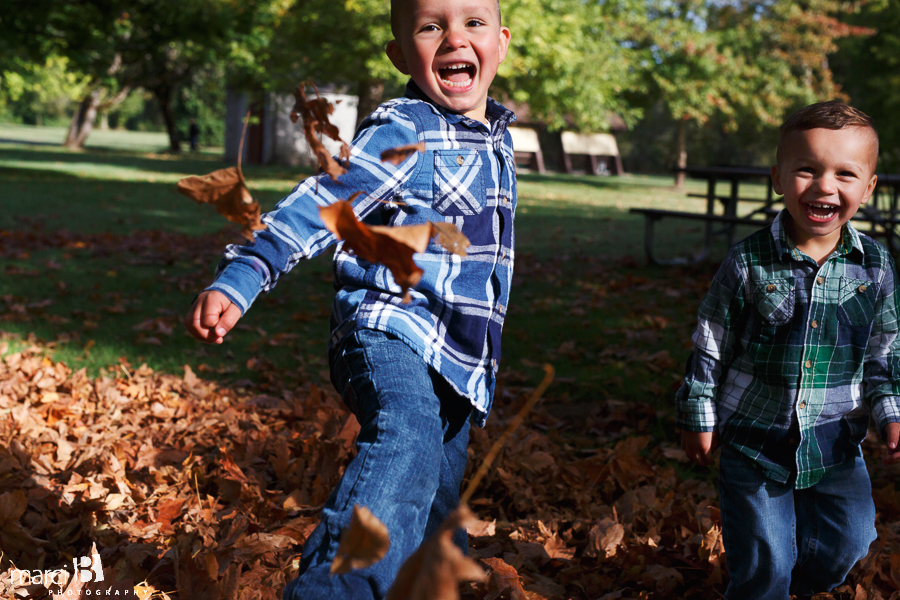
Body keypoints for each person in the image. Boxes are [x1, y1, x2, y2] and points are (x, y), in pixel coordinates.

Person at [184, 0, 513, 597]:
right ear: (399, 54)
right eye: (430, 26)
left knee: (436, 512)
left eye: (473, 23)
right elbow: (324, 201)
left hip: (460, 363)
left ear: (502, 43)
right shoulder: (404, 128)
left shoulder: (497, 141)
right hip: (389, 329)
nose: (453, 38)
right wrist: (248, 270)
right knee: (406, 435)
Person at [676, 100, 900, 599]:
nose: (824, 185)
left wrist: (890, 410)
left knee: (850, 543)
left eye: (845, 173)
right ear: (777, 178)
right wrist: (698, 412)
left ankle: (800, 585)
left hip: (835, 441)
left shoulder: (876, 267)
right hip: (755, 442)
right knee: (765, 564)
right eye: (807, 169)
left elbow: (885, 350)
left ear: (868, 189)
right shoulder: (749, 262)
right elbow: (711, 340)